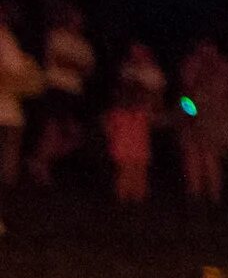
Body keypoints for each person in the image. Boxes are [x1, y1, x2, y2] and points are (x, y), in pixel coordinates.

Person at [178, 39, 228, 203]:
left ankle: (214, 194)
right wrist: (187, 109)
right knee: (192, 153)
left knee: (209, 154)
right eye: (202, 46)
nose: (206, 49)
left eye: (209, 46)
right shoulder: (192, 64)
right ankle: (194, 193)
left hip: (215, 117)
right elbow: (186, 89)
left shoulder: (226, 66)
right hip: (194, 114)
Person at [25, 16, 94, 187]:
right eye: (73, 19)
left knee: (74, 133)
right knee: (52, 128)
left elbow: (88, 69)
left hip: (74, 91)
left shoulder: (84, 45)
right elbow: (59, 60)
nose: (77, 23)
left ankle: (39, 160)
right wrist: (75, 64)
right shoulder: (56, 36)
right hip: (56, 87)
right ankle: (41, 165)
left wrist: (73, 64)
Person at [101, 42, 165, 203]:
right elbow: (108, 125)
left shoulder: (141, 113)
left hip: (135, 143)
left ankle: (134, 199)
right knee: (129, 170)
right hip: (127, 144)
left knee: (136, 170)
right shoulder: (120, 112)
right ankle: (127, 199)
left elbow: (158, 109)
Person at [0, 11, 39, 187]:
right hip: (7, 106)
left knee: (10, 144)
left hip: (9, 106)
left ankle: (8, 182)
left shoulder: (8, 39)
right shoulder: (5, 39)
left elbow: (19, 70)